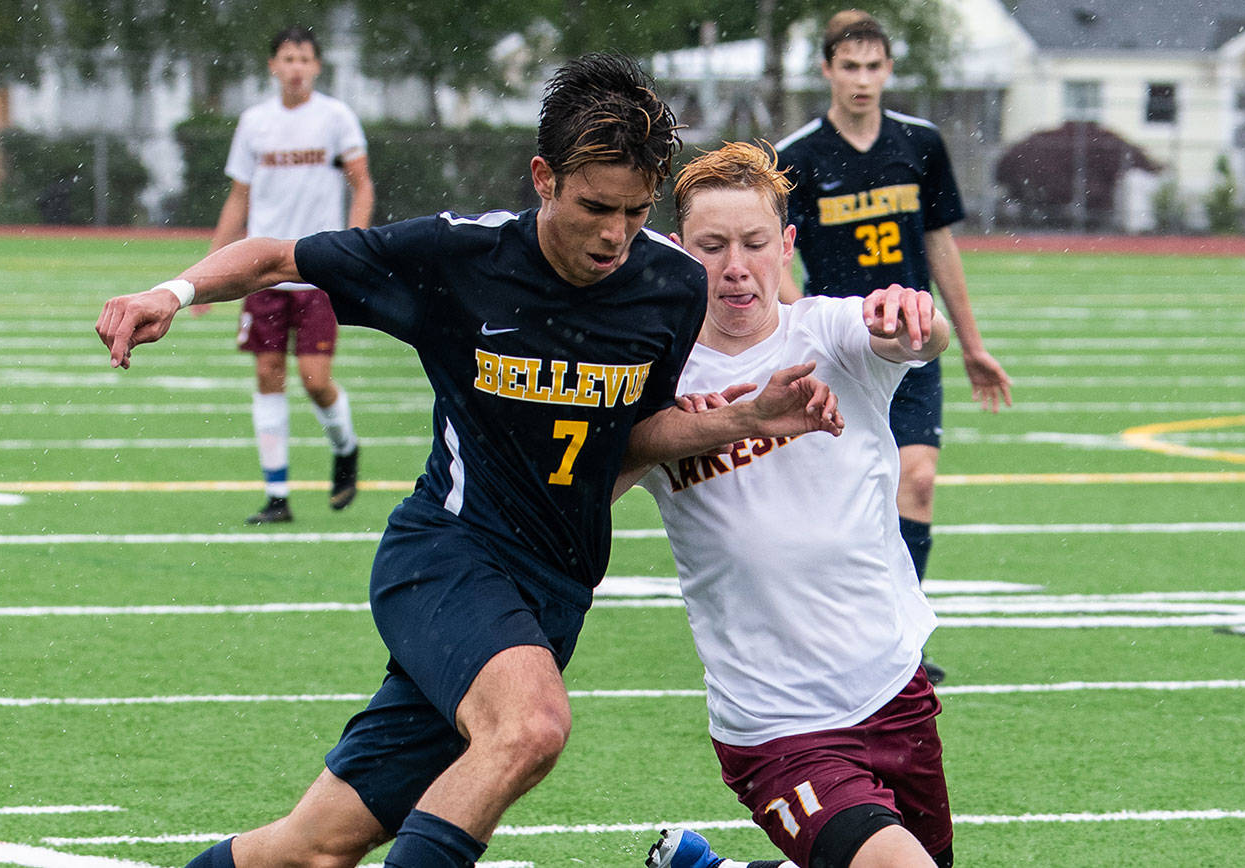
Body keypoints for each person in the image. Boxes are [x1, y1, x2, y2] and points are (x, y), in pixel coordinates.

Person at [95, 54, 843, 868]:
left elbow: (625, 442)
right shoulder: (459, 257)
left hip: (554, 591)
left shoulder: (669, 284)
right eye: (594, 207)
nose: (613, 235)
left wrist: (743, 419)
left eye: (633, 213)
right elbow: (278, 256)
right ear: (542, 179)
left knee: (314, 845)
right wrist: (168, 294)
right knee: (530, 729)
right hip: (448, 556)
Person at [625, 142, 953, 867]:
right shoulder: (655, 377)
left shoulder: (832, 332)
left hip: (892, 685)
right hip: (776, 725)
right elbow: (583, 489)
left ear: (788, 246)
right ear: (680, 253)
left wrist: (915, 319)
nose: (735, 264)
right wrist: (693, 428)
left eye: (754, 243)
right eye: (712, 246)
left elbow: (923, 343)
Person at [775, 9, 1012, 683]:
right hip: (843, 354)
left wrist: (970, 344)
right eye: (848, 66)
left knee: (920, 481)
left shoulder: (920, 144)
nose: (861, 79)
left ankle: (901, 644)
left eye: (873, 66)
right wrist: (808, 327)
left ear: (888, 70)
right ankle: (833, 632)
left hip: (911, 345)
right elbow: (781, 260)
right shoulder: (798, 157)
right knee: (843, 499)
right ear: (826, 70)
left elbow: (939, 246)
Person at [204, 25, 375, 524]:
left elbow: (361, 185)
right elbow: (240, 197)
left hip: (318, 268)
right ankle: (277, 496)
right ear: (272, 66)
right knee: (266, 373)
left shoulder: (336, 118)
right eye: (287, 58)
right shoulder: (255, 123)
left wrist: (354, 246)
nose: (296, 67)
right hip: (262, 272)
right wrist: (209, 272)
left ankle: (345, 447)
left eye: (304, 58)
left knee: (315, 380)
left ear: (316, 66)